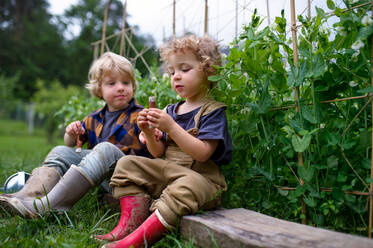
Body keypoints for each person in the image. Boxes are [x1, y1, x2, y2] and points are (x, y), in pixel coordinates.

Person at [94, 35, 232, 248]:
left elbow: (204, 153)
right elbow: (157, 153)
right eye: (172, 72)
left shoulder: (212, 112)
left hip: (201, 181)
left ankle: (136, 241)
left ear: (208, 70)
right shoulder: (170, 111)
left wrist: (171, 127)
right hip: (167, 174)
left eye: (184, 70)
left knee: (189, 184)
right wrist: (148, 133)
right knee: (126, 164)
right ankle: (129, 225)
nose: (176, 76)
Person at [0, 52, 150, 219]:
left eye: (126, 82)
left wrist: (150, 132)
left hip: (126, 178)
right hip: (102, 180)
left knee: (105, 149)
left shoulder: (141, 115)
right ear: (99, 89)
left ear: (133, 86)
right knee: (60, 150)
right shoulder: (94, 118)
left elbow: (153, 148)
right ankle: (26, 197)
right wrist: (70, 133)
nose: (121, 87)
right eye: (112, 83)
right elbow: (70, 143)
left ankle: (50, 205)